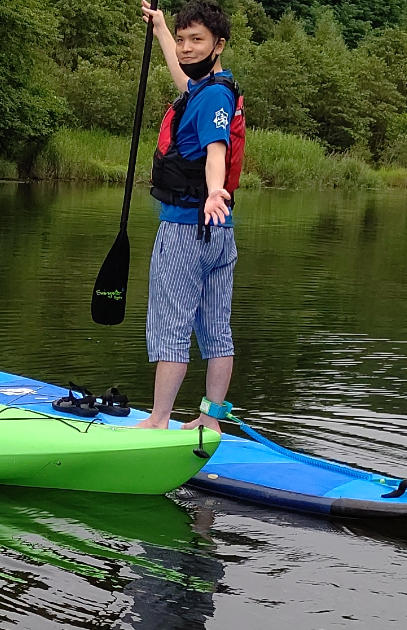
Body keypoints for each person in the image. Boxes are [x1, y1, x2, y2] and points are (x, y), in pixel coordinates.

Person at [136, 0, 239, 433]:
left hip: (186, 229)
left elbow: (217, 151)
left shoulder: (211, 97)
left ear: (219, 45)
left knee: (171, 326)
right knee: (217, 330)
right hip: (220, 234)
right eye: (182, 40)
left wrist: (215, 191)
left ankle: (158, 420)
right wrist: (160, 29)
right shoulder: (211, 89)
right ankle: (208, 422)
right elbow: (181, 79)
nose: (186, 48)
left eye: (197, 40)